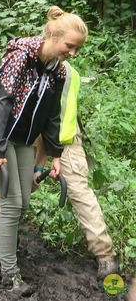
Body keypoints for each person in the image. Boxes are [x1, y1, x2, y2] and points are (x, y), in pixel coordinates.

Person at [0, 6, 88, 294]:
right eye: (69, 46)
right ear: (52, 35)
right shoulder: (20, 55)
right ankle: (10, 277)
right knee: (10, 204)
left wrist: (56, 154)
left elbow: (52, 115)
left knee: (22, 205)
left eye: (77, 49)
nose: (72, 53)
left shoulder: (58, 71)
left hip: (22, 140)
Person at [33, 61, 119, 280]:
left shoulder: (63, 71)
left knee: (80, 193)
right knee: (16, 190)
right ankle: (7, 238)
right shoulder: (32, 62)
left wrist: (46, 158)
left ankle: (105, 255)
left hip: (63, 138)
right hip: (35, 137)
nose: (71, 52)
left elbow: (53, 114)